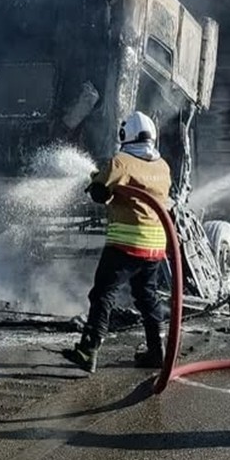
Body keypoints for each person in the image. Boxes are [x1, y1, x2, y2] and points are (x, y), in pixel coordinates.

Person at [63, 110, 172, 374]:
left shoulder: (121, 162)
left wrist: (96, 181)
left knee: (103, 293)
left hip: (126, 243)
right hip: (156, 244)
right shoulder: (163, 166)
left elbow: (99, 193)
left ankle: (88, 349)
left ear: (125, 134)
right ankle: (157, 352)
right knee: (147, 297)